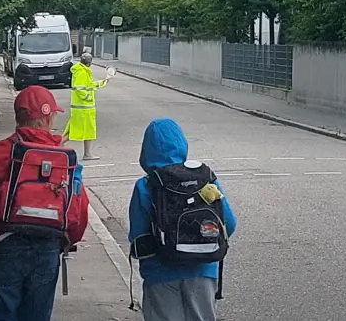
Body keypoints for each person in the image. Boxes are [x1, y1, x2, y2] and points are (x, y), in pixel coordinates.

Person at [0, 86, 89, 321]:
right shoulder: (64, 158)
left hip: (5, 244)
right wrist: (69, 239)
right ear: (49, 116)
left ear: (17, 117)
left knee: (1, 312)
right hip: (48, 247)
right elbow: (78, 206)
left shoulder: (0, 152)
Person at [129, 118, 236, 321]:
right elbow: (229, 224)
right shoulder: (205, 179)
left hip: (160, 273)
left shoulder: (146, 185)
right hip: (203, 270)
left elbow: (138, 237)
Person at [68, 51, 114, 160]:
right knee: (73, 130)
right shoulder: (82, 72)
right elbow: (80, 89)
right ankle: (55, 148)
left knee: (86, 131)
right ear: (89, 63)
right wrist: (88, 98)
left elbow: (90, 85)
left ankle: (87, 154)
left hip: (83, 108)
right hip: (83, 108)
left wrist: (104, 81)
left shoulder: (82, 71)